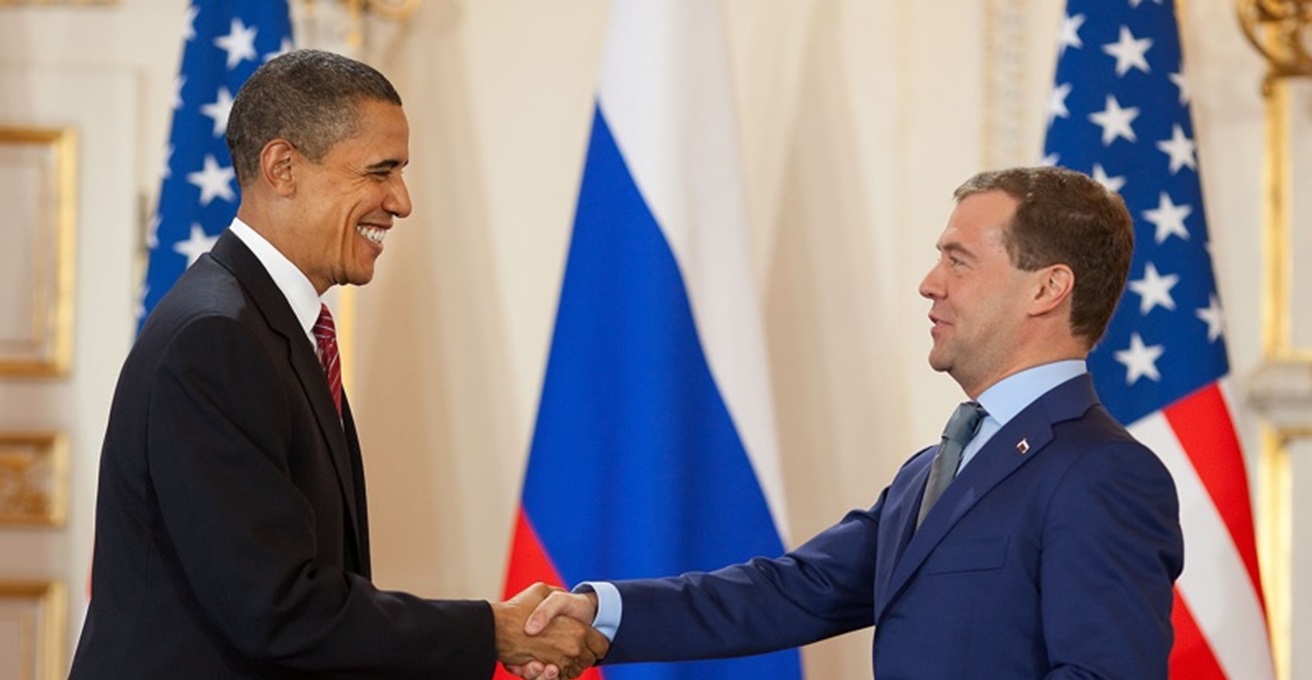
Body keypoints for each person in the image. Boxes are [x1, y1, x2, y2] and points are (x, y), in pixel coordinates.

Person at [511, 166, 1183, 679]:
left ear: (1047, 288)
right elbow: (795, 590)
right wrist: (601, 615)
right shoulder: (935, 467)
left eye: (958, 260)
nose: (929, 282)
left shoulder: (1102, 472)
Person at [69, 49, 606, 680]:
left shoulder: (274, 327)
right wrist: (494, 629)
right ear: (283, 167)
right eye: (380, 173)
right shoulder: (216, 339)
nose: (401, 202)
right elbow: (278, 610)